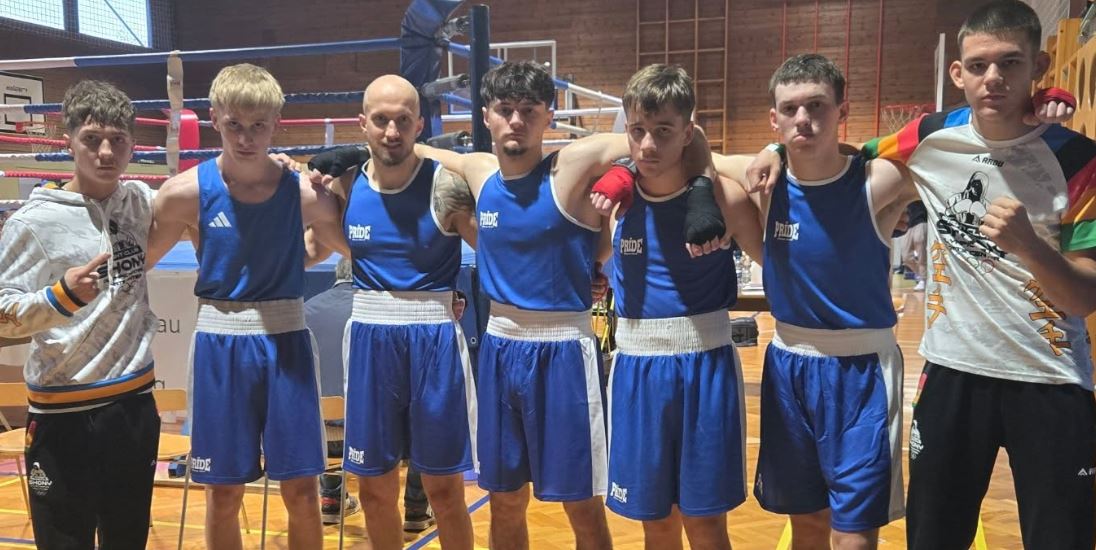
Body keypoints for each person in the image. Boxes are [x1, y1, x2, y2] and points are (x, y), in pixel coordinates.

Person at [751, 2, 1096, 547]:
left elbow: (1083, 297)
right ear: (958, 73)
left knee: (1061, 538)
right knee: (932, 537)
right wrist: (774, 148)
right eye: (979, 65)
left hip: (1050, 379)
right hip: (952, 373)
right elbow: (833, 154)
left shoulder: (1079, 158)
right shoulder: (929, 136)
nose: (994, 77)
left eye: (1010, 63)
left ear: (1039, 66)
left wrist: (1031, 247)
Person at [147, 63, 344, 550]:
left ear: (277, 123)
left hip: (286, 339)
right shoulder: (184, 194)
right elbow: (134, 262)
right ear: (214, 118)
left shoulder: (306, 194)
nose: (245, 137)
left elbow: (358, 249)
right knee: (222, 493)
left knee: (302, 491)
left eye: (258, 125)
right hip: (220, 343)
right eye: (234, 124)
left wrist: (348, 181)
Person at [597, 64, 763, 550]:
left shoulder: (725, 199)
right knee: (656, 523)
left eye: (664, 131)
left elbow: (781, 268)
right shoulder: (616, 201)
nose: (648, 145)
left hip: (704, 367)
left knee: (706, 526)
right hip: (636, 369)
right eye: (638, 131)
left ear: (688, 132)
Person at [315, 74, 478, 550]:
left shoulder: (446, 185)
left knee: (444, 490)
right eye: (381, 120)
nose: (391, 131)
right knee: (373, 489)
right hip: (370, 335)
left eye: (403, 121)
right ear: (362, 123)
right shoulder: (344, 185)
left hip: (434, 339)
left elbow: (502, 252)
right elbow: (308, 241)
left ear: (419, 125)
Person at [0, 80, 160, 549]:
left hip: (133, 406)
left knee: (128, 541)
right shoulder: (33, 222)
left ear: (133, 144)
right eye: (92, 139)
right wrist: (59, 297)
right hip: (62, 415)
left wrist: (289, 168)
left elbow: (204, 191)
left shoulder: (140, 202)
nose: (106, 152)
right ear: (68, 141)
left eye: (117, 140)